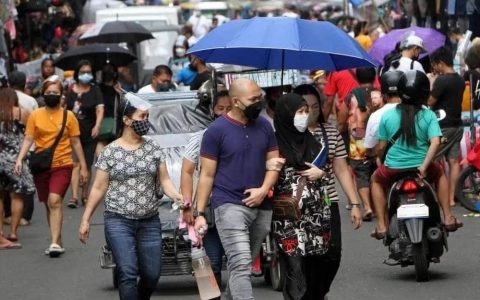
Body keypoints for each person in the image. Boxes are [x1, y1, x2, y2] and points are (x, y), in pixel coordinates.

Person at [79, 95, 183, 300]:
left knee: (152, 274)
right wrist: (85, 219)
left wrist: (177, 196)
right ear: (126, 120)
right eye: (142, 116)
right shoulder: (110, 152)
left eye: (147, 116)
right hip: (118, 220)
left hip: (149, 221)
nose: (146, 120)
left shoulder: (153, 148)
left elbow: (165, 181)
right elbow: (99, 187)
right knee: (127, 272)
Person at [194, 78, 280, 299]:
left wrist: (263, 190)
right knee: (241, 261)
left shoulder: (265, 126)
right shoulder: (215, 131)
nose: (259, 102)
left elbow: (274, 163)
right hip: (229, 204)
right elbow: (207, 174)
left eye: (259, 96)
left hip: (262, 205)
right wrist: (199, 213)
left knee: (241, 264)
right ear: (236, 101)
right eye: (253, 99)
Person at [272, 93, 362, 300]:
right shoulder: (273, 144)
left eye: (309, 109)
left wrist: (323, 175)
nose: (306, 115)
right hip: (288, 216)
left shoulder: (317, 143)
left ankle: (317, 294)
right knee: (295, 267)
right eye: (300, 111)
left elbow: (339, 168)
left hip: (318, 213)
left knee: (325, 259)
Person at [370, 70, 463, 239]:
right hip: (421, 168)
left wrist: (378, 157)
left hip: (393, 168)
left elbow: (382, 147)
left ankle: (381, 225)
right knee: (440, 174)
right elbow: (435, 142)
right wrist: (424, 166)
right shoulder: (428, 115)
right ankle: (448, 217)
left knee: (375, 180)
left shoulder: (387, 116)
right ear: (425, 93)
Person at [15, 78, 89, 256]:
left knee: (55, 200)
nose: (52, 96)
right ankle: (57, 237)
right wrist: (19, 159)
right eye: (48, 93)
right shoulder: (35, 115)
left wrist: (84, 166)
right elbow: (28, 139)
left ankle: (55, 242)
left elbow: (76, 142)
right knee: (49, 204)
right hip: (41, 166)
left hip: (63, 164)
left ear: (62, 95)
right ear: (43, 94)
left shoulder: (68, 116)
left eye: (55, 93)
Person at [181, 90, 232, 291]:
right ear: (212, 110)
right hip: (206, 209)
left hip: (236, 206)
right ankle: (209, 295)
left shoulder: (247, 134)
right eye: (220, 108)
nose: (225, 113)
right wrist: (187, 206)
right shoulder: (200, 137)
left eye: (229, 108)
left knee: (239, 263)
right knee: (207, 261)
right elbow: (187, 171)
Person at [337, 67, 377, 218]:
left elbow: (341, 119)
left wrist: (339, 134)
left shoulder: (350, 97)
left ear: (357, 78)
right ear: (374, 77)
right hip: (378, 136)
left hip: (358, 137)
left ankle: (367, 207)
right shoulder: (380, 95)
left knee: (361, 173)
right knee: (376, 169)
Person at [428, 47, 466, 207]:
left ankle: (436, 197)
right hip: (457, 125)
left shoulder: (442, 81)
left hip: (444, 127)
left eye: (435, 65)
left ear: (441, 63)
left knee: (432, 161)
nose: (434, 68)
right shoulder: (459, 79)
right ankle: (451, 198)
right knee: (453, 161)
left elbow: (430, 102)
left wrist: (431, 83)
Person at [65, 60, 104, 208]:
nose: (86, 75)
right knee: (75, 164)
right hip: (72, 134)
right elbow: (64, 109)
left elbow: (100, 109)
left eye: (88, 72)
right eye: (83, 72)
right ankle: (74, 196)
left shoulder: (95, 90)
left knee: (86, 165)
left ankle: (85, 194)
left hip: (89, 133)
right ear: (77, 73)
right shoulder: (70, 90)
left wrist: (97, 125)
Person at [0, 88, 35, 248]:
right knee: (17, 196)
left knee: (0, 198)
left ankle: (0, 232)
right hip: (16, 160)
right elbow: (29, 135)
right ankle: (13, 232)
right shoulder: (23, 113)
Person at [6, 70, 38, 225]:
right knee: (25, 183)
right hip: (27, 148)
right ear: (24, 83)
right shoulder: (30, 101)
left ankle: (8, 216)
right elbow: (35, 124)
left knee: (8, 186)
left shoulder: (3, 101)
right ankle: (25, 216)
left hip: (5, 152)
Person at [364, 71, 403, 153]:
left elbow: (369, 146)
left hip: (388, 162)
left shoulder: (376, 115)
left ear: (383, 94)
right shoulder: (419, 110)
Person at [97, 63, 122, 155]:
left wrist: (120, 92)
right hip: (101, 123)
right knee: (101, 149)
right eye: (106, 71)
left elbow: (123, 105)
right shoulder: (97, 88)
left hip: (115, 124)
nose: (108, 73)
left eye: (110, 70)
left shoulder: (118, 88)